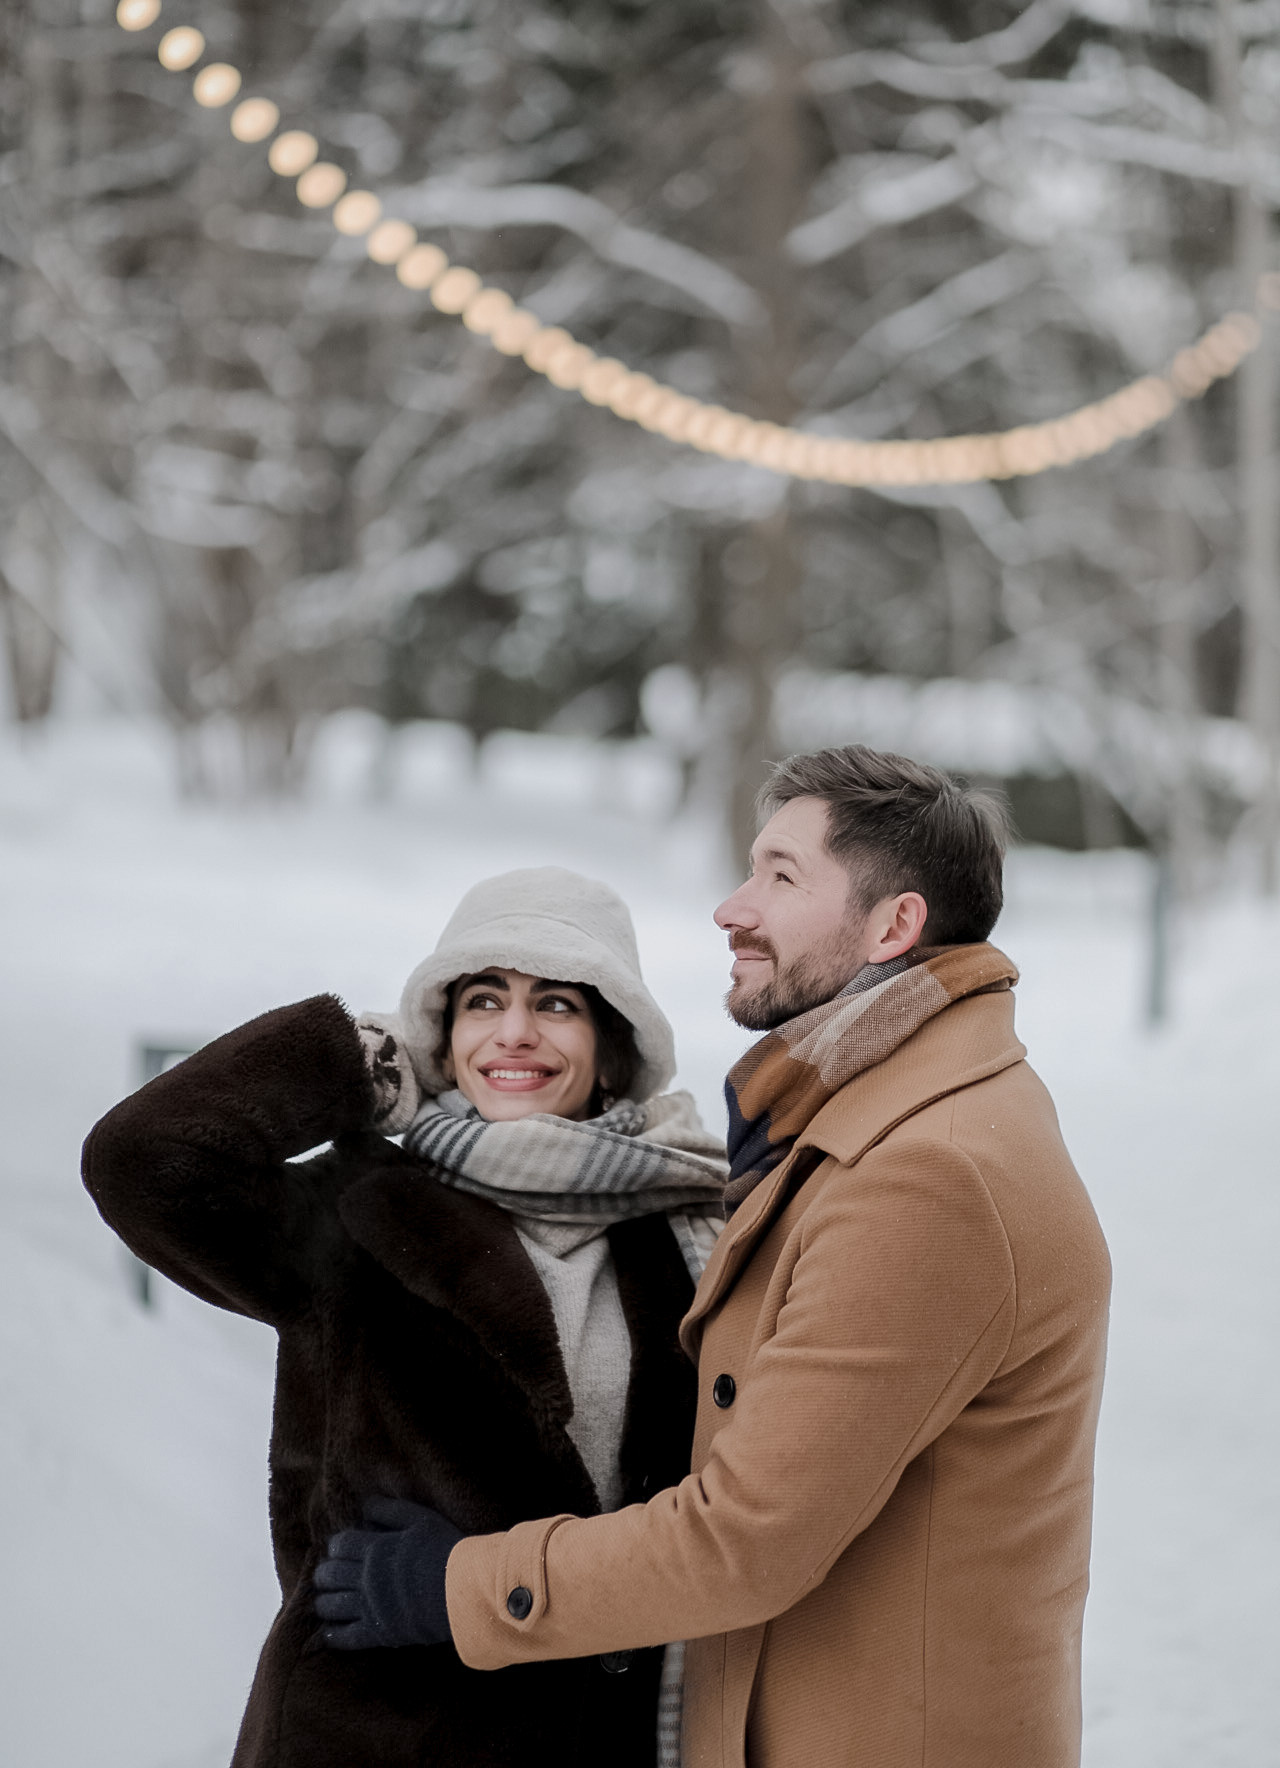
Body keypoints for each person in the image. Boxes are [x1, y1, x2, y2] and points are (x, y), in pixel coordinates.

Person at [316, 746, 1113, 1768]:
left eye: (780, 877)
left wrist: (458, 1586)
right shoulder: (884, 1112)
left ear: (892, 926)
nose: (730, 908)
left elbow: (745, 1537)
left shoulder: (923, 1174)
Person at [81, 866, 728, 1768]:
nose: (514, 1032)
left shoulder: (695, 1235)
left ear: (613, 1049)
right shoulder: (360, 1216)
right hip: (375, 1736)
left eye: (556, 1005)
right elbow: (141, 1162)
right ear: (441, 1037)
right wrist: (359, 1065)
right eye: (482, 1001)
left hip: (599, 1738)